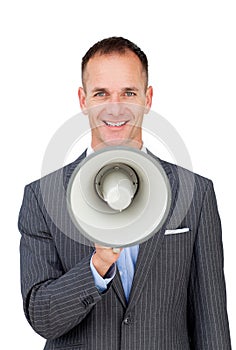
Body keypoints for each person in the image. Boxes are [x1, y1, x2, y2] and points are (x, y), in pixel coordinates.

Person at [18, 37, 231, 349]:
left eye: (128, 93)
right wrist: (98, 265)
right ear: (83, 99)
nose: (115, 107)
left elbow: (211, 322)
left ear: (147, 98)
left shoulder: (195, 193)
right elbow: (42, 317)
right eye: (101, 93)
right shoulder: (42, 198)